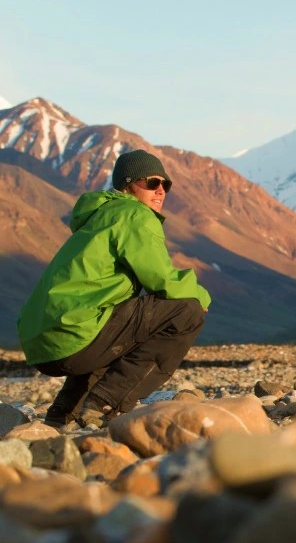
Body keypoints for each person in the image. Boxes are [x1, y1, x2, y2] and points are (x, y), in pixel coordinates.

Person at [17, 149, 211, 428]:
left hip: (43, 343)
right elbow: (162, 280)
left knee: (115, 318)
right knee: (187, 311)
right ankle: (105, 404)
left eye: (165, 184)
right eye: (151, 183)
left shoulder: (102, 215)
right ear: (128, 184)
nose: (160, 191)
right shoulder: (134, 214)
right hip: (73, 338)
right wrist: (202, 295)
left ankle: (64, 411)